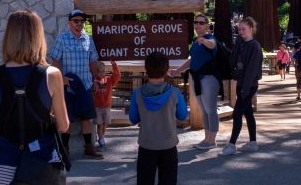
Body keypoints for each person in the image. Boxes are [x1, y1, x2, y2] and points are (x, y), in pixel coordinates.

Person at [0, 10, 69, 184]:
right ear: (38, 37)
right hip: (42, 162)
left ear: (9, 37)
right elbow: (63, 125)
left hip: (4, 162)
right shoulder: (52, 74)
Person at [50, 9, 103, 158]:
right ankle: (64, 149)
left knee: (87, 117)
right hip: (68, 85)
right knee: (67, 117)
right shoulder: (62, 39)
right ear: (69, 23)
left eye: (81, 21)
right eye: (76, 21)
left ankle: (89, 148)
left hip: (85, 84)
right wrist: (62, 79)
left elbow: (93, 61)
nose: (79, 23)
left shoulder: (88, 39)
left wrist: (94, 79)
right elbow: (55, 60)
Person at [129, 52, 188, 185]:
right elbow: (183, 116)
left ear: (146, 69)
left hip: (146, 145)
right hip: (169, 145)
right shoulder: (175, 93)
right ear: (167, 70)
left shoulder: (137, 93)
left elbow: (133, 119)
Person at [170, 14, 220, 150]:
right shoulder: (196, 41)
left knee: (210, 110)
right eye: (196, 22)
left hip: (209, 79)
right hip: (197, 79)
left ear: (207, 25)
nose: (198, 25)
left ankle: (212, 140)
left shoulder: (209, 38)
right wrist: (177, 71)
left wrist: (203, 41)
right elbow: (192, 60)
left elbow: (212, 45)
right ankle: (206, 139)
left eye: (201, 23)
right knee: (204, 111)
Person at [219, 17, 263, 156]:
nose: (241, 31)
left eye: (244, 28)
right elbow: (232, 62)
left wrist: (244, 89)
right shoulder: (242, 44)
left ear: (251, 28)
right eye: (239, 29)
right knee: (248, 113)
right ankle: (253, 142)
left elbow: (252, 69)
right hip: (241, 84)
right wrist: (237, 45)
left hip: (248, 86)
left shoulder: (254, 46)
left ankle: (231, 145)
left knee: (237, 113)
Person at [93, 60, 121, 148]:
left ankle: (102, 138)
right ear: (96, 72)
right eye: (99, 71)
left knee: (105, 125)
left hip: (107, 106)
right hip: (97, 107)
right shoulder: (93, 81)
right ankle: (101, 141)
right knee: (99, 125)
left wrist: (114, 65)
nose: (101, 73)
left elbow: (117, 75)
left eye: (103, 71)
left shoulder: (109, 80)